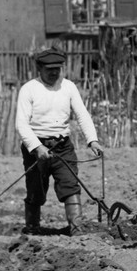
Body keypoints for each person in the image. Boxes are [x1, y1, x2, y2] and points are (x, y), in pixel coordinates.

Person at [15, 47, 104, 236]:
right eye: (50, 69)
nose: (54, 72)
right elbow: (21, 124)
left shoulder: (69, 87)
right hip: (36, 149)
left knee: (70, 184)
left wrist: (92, 141)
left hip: (62, 147)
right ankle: (32, 228)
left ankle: (77, 229)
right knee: (36, 189)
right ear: (39, 68)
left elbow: (82, 115)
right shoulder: (29, 89)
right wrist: (37, 147)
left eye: (58, 68)